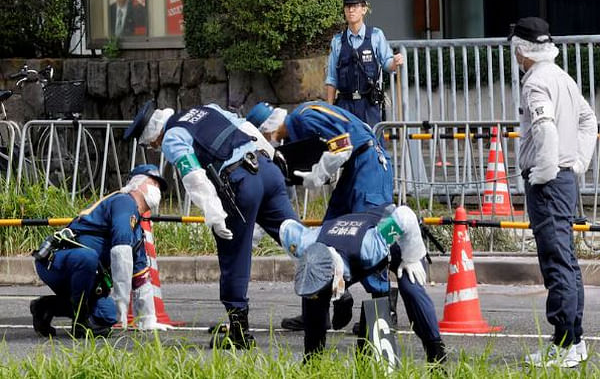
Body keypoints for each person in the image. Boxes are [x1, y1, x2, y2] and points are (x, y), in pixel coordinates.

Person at [123, 101, 299, 349]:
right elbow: (247, 127)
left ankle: (239, 333)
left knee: (234, 255)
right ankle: (333, 288)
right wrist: (272, 156)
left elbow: (194, 177)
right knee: (294, 235)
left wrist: (214, 213)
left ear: (153, 136)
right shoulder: (207, 109)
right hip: (267, 170)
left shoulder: (173, 137)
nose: (154, 148)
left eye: (150, 144)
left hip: (241, 182)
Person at [246, 100, 394, 331]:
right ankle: (317, 311)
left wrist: (317, 175)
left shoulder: (304, 118)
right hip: (357, 168)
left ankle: (379, 316)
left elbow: (343, 145)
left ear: (268, 130)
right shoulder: (304, 114)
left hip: (368, 170)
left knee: (366, 238)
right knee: (326, 237)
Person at [510, 17, 597, 368]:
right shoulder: (562, 76)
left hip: (548, 182)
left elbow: (544, 129)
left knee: (556, 261)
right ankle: (573, 341)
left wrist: (543, 172)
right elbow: (588, 120)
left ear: (522, 50)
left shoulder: (536, 83)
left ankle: (564, 343)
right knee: (567, 259)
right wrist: (578, 163)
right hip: (565, 178)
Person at [280, 204, 445, 362]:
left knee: (411, 288)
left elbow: (405, 216)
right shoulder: (304, 243)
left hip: (400, 241)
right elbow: (286, 226)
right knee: (312, 298)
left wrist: (412, 256)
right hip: (346, 244)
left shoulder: (370, 247)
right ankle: (312, 360)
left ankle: (436, 354)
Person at [30, 164, 171, 338]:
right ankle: (80, 322)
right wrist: (122, 300)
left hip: (84, 274)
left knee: (108, 315)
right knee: (87, 257)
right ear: (137, 183)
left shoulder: (137, 231)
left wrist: (149, 320)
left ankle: (45, 307)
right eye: (153, 183)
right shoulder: (124, 202)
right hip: (57, 262)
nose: (157, 190)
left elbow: (141, 278)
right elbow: (121, 251)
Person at [325, 0, 404, 127]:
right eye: (348, 6)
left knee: (373, 146)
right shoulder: (337, 41)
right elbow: (332, 78)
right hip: (344, 106)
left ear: (364, 9)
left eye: (355, 6)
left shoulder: (375, 36)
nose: (351, 10)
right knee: (346, 148)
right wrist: (330, 110)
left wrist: (395, 62)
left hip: (368, 105)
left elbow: (387, 63)